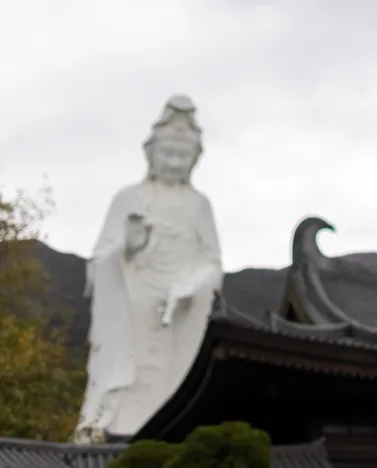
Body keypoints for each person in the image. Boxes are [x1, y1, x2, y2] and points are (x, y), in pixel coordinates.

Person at [73, 95, 223, 443]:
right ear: (151, 153)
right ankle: (112, 432)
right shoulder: (129, 198)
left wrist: (193, 284)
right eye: (167, 153)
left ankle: (170, 428)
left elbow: (213, 262)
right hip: (133, 307)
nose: (174, 162)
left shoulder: (199, 205)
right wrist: (130, 246)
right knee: (130, 377)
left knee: (171, 383)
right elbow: (100, 261)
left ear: (195, 159)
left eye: (182, 156)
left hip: (179, 313)